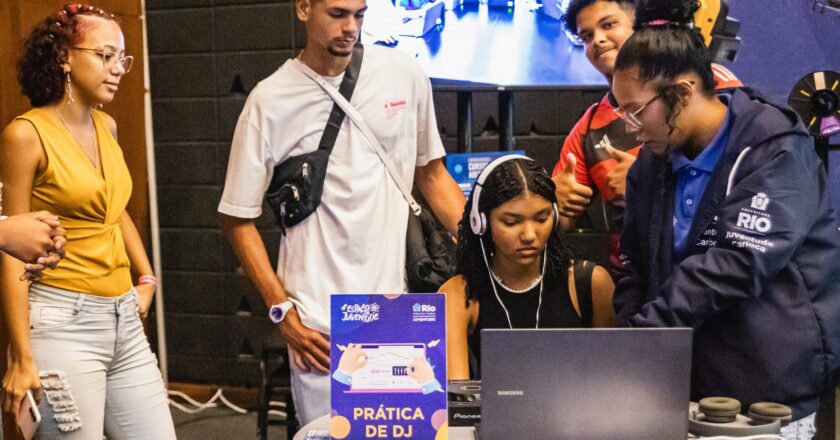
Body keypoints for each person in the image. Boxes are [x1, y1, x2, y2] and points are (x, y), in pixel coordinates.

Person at [218, 0, 465, 425]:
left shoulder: (404, 74)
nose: (351, 26)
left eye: (360, 14)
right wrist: (281, 311)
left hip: (398, 308)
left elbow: (432, 174)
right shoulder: (268, 101)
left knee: (404, 433)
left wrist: (483, 245)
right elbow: (236, 218)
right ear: (304, 8)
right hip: (319, 322)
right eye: (337, 14)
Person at [609, 0, 840, 437]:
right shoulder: (649, 167)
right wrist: (631, 346)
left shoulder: (776, 148)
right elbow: (634, 267)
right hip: (681, 387)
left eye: (636, 111)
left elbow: (735, 262)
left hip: (771, 393)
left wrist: (644, 338)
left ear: (681, 93)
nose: (630, 127)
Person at [0, 4, 176, 439]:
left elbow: (113, 211)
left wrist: (147, 278)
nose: (118, 69)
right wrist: (21, 355)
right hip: (62, 323)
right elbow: (12, 248)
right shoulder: (25, 135)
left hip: (124, 321)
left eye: (122, 59)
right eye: (105, 55)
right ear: (64, 57)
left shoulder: (107, 126)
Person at [551, 0, 742, 277]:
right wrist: (553, 202)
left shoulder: (711, 85)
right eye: (587, 36)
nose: (598, 40)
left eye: (608, 25)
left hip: (709, 274)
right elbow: (555, 221)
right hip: (634, 282)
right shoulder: (589, 128)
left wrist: (646, 184)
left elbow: (741, 177)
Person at [441, 156, 614, 380]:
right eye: (512, 222)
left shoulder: (590, 284)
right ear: (481, 223)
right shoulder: (458, 295)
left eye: (542, 219)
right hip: (493, 405)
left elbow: (613, 379)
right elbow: (456, 393)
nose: (530, 235)